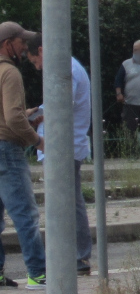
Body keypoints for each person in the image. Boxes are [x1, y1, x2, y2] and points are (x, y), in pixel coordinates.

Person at [28, 33, 94, 275]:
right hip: (63, 147)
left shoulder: (67, 69)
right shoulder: (69, 68)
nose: (37, 67)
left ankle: (79, 256)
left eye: (35, 61)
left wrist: (35, 118)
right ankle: (75, 255)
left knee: (70, 201)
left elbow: (61, 103)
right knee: (68, 200)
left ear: (42, 51)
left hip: (65, 148)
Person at [0, 21, 45, 289]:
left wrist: (29, 114)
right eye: (20, 41)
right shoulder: (10, 73)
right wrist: (37, 140)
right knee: (25, 215)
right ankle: (38, 274)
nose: (24, 46)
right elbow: (13, 119)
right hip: (7, 150)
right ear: (8, 45)